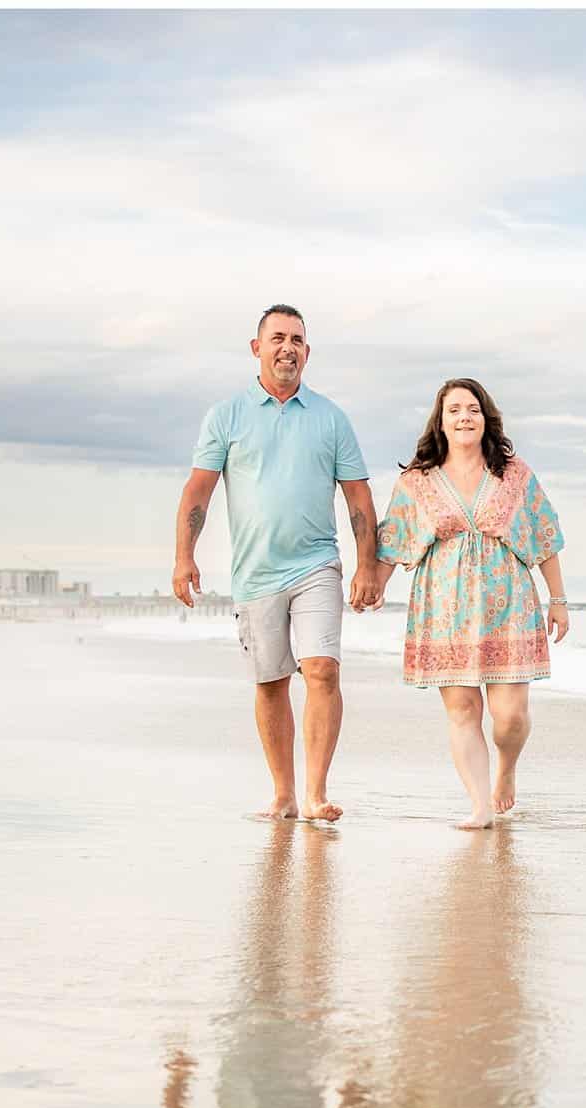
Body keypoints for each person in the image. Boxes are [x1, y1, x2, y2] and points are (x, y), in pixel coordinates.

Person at [174, 304, 378, 821]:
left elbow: (358, 498)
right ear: (257, 348)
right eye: (278, 338)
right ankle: (284, 794)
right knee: (270, 684)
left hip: (317, 565)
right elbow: (199, 489)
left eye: (298, 340)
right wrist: (184, 557)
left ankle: (315, 793)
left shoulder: (331, 418)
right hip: (256, 572)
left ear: (307, 353)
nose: (288, 348)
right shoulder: (226, 417)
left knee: (322, 671)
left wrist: (366, 566)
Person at [356, 378, 568, 829]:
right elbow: (394, 538)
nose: (464, 418)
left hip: (509, 604)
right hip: (444, 606)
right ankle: (479, 806)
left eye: (471, 409)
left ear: (485, 417)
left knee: (508, 718)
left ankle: (505, 770)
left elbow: (545, 534)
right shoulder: (418, 481)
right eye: (454, 410)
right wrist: (374, 584)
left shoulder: (514, 473)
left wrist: (559, 599)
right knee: (463, 710)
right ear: (441, 421)